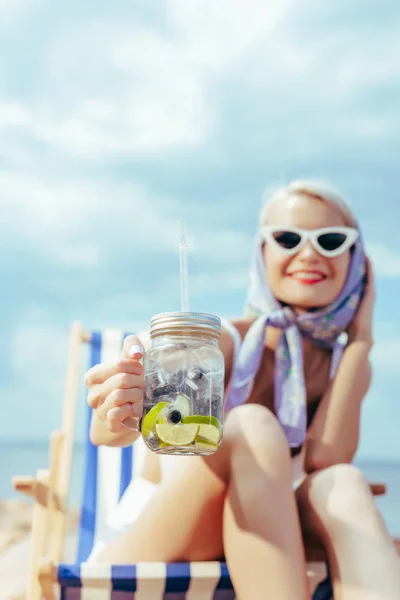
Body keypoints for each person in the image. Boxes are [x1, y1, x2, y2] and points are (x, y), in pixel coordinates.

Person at [84, 180, 400, 600]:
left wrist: (360, 341)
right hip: (156, 543)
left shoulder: (346, 367)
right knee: (251, 424)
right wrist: (119, 406)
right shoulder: (221, 341)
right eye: (288, 238)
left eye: (330, 240)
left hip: (264, 546)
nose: (309, 254)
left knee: (342, 483)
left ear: (357, 259)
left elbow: (326, 459)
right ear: (262, 253)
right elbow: (135, 405)